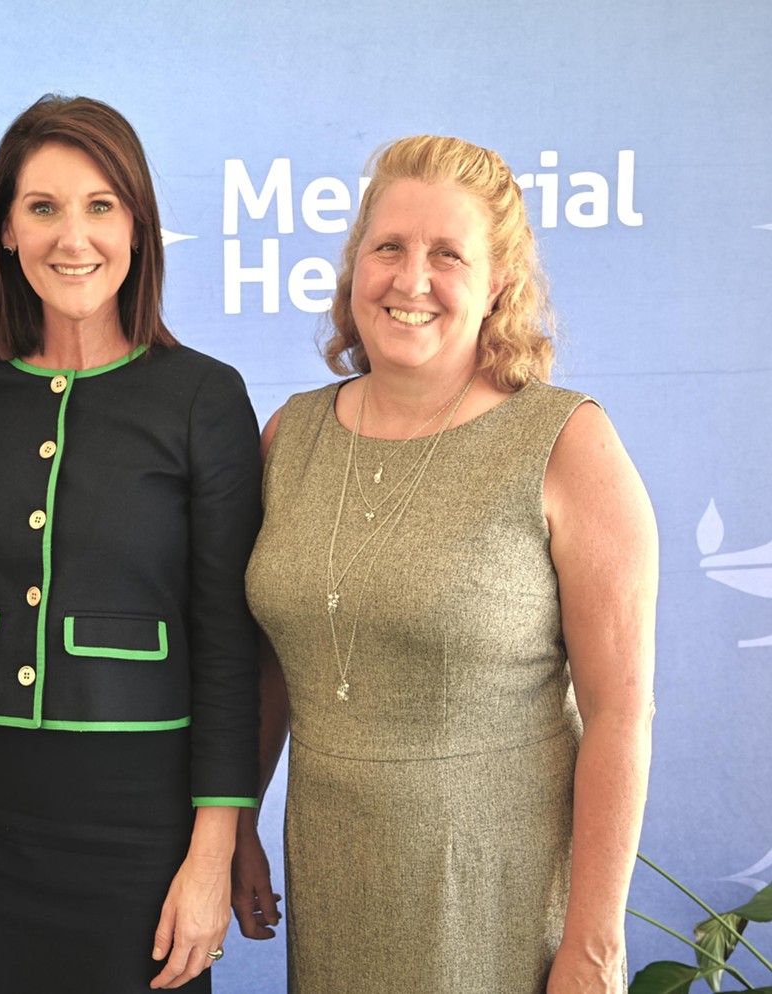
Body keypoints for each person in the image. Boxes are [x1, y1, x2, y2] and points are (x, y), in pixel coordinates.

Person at [233, 135, 657, 993]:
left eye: (447, 255)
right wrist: (239, 818)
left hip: (497, 897)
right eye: (387, 247)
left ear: (500, 280)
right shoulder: (289, 435)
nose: (410, 280)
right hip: (334, 879)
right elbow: (276, 660)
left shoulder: (567, 442)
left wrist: (595, 946)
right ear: (356, 265)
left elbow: (620, 713)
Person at [0, 94, 262, 993]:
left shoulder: (203, 398)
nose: (73, 236)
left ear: (139, 227)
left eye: (100, 205)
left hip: (139, 823)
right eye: (43, 207)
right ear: (5, 231)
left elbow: (228, 642)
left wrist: (211, 855)